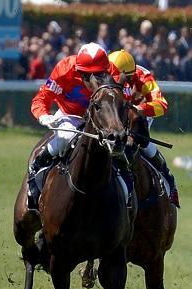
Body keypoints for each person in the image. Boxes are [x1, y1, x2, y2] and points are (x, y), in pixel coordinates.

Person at [28, 42, 122, 209]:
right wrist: (43, 116)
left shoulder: (113, 71)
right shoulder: (64, 69)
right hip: (71, 116)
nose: (93, 81)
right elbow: (42, 98)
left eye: (99, 75)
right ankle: (39, 165)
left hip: (102, 120)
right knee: (65, 137)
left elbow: (122, 100)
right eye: (87, 76)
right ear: (79, 71)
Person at [108, 49, 179, 207]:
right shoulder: (105, 73)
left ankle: (168, 180)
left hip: (138, 114)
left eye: (116, 76)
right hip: (114, 115)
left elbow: (162, 104)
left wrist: (139, 109)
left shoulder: (143, 76)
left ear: (127, 75)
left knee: (141, 143)